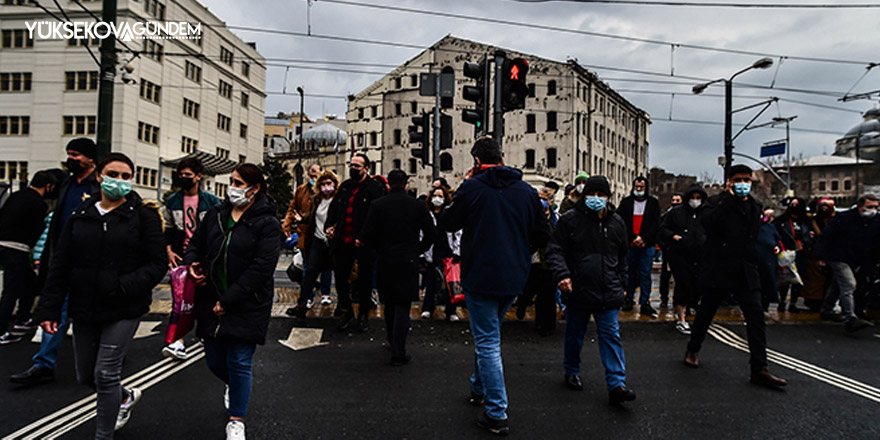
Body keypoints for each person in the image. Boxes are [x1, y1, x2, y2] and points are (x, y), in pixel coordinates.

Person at [34, 153, 167, 438]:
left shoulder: (142, 216)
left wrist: (122, 285)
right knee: (87, 376)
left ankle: (103, 435)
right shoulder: (81, 215)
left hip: (124, 307)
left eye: (126, 176)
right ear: (99, 176)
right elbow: (61, 266)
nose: (119, 181)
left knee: (105, 374)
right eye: (113, 174)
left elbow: (157, 264)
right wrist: (48, 309)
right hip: (85, 306)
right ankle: (124, 396)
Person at [440, 137, 550, 436]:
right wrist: (520, 250)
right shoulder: (526, 192)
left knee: (487, 341)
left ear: (476, 162)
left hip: (480, 275)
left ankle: (496, 412)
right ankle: (478, 387)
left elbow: (448, 223)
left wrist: (463, 187)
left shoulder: (472, 188)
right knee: (489, 332)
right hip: (514, 276)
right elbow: (543, 235)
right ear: (502, 159)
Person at [183, 163, 281, 440]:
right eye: (232, 182)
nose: (233, 188)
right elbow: (196, 244)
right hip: (210, 298)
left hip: (248, 301)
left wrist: (230, 299)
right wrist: (192, 263)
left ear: (255, 188)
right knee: (214, 360)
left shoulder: (267, 222)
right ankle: (235, 385)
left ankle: (236, 420)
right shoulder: (216, 214)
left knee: (239, 359)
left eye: (239, 183)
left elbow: (262, 267)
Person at [684, 164, 787, 389]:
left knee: (755, 316)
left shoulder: (755, 206)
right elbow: (708, 224)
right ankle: (693, 347)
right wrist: (729, 200)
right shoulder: (715, 203)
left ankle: (759, 368)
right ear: (729, 181)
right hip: (719, 267)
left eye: (746, 180)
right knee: (706, 312)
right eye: (738, 180)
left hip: (744, 270)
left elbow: (754, 237)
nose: (743, 184)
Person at [10, 138, 101, 386]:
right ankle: (43, 364)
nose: (71, 159)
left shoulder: (99, 186)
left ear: (91, 159)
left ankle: (105, 357)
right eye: (69, 154)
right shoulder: (65, 185)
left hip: (90, 262)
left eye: (76, 155)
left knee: (94, 314)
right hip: (62, 259)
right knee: (53, 311)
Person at [547, 175, 636, 405]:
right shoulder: (570, 221)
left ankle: (617, 383)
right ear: (584, 195)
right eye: (592, 195)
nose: (596, 199)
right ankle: (572, 369)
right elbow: (556, 250)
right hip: (579, 288)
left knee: (610, 336)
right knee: (575, 333)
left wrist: (624, 285)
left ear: (608, 197)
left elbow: (623, 257)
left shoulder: (617, 223)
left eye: (601, 195)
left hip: (609, 289)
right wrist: (563, 275)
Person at [358, 170, 435, 365]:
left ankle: (391, 339)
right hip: (409, 257)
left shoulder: (378, 205)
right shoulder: (416, 205)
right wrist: (419, 249)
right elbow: (431, 233)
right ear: (406, 185)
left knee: (389, 302)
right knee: (403, 304)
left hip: (385, 257)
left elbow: (367, 234)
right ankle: (398, 350)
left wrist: (378, 248)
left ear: (388, 185)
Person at [161, 157, 220, 360]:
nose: (184, 178)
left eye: (188, 175)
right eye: (181, 175)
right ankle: (178, 341)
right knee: (180, 301)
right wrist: (169, 250)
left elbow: (217, 230)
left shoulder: (211, 202)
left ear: (198, 177)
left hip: (204, 258)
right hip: (181, 258)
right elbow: (168, 229)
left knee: (204, 299)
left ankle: (206, 333)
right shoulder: (173, 201)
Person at [325, 154, 386, 332]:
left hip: (364, 243)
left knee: (365, 280)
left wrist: (366, 237)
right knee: (341, 279)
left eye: (357, 166)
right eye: (351, 165)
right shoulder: (345, 187)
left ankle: (363, 314)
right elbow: (334, 211)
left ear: (366, 168)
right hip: (343, 241)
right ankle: (346, 311)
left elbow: (376, 218)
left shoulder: (374, 189)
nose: (353, 169)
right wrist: (330, 227)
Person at [0, 171, 56, 344]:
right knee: (11, 291)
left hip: (3, 245)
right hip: (18, 248)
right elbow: (38, 230)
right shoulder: (38, 204)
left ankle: (23, 320)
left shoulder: (16, 196)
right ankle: (2, 330)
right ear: (48, 186)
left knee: (30, 283)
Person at [816, 194, 880, 333]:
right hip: (839, 255)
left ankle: (827, 308)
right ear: (860, 206)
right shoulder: (844, 218)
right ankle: (849, 318)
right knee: (849, 284)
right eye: (870, 207)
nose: (873, 210)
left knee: (838, 284)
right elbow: (826, 237)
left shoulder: (876, 221)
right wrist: (821, 256)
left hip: (857, 258)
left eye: (875, 207)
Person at [285, 171, 339, 318]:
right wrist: (301, 218)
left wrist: (335, 228)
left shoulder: (339, 200)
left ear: (335, 184)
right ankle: (302, 303)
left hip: (334, 243)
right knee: (310, 272)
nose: (326, 187)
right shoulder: (317, 199)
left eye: (329, 184)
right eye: (323, 184)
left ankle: (343, 306)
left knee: (340, 274)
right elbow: (313, 215)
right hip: (317, 240)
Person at [658, 185, 707, 335]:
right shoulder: (676, 213)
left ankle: (693, 307)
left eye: (698, 198)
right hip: (679, 254)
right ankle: (681, 317)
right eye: (693, 198)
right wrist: (673, 237)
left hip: (699, 255)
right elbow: (663, 229)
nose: (695, 201)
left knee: (697, 284)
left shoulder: (706, 214)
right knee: (683, 284)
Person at [515, 181, 560, 336]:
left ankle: (547, 323)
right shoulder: (530, 217)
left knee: (547, 293)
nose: (543, 202)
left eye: (546, 199)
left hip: (549, 261)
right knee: (530, 288)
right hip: (533, 259)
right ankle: (523, 305)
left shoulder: (555, 219)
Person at [618, 176, 662, 317]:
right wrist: (633, 237)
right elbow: (622, 222)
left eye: (641, 187)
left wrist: (644, 238)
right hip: (630, 244)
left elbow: (656, 224)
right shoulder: (626, 203)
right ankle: (628, 299)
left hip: (647, 244)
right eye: (636, 187)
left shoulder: (653, 203)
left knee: (645, 274)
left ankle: (645, 302)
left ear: (646, 187)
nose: (638, 190)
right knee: (629, 273)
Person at [420, 186, 462, 321]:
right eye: (435, 195)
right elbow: (421, 233)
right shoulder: (427, 214)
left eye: (440, 196)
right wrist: (422, 253)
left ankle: (451, 311)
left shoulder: (449, 215)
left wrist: (457, 251)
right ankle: (427, 308)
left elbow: (457, 233)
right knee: (431, 282)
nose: (437, 199)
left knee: (450, 282)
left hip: (447, 251)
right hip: (432, 251)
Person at [774, 197, 809, 312]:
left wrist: (809, 237)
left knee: (797, 279)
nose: (794, 207)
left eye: (797, 204)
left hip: (801, 251)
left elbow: (809, 234)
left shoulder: (806, 221)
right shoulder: (781, 221)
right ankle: (782, 301)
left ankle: (793, 303)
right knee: (785, 278)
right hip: (786, 252)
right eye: (792, 204)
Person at [805, 198, 836, 314]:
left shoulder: (834, 221)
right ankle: (814, 301)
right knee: (814, 278)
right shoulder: (812, 221)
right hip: (814, 252)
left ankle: (825, 302)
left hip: (831, 252)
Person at [658, 193, 683, 309]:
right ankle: (664, 298)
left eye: (678, 200)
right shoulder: (666, 216)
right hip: (669, 250)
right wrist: (664, 246)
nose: (675, 203)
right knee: (665, 277)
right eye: (673, 200)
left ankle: (678, 300)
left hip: (682, 252)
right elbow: (660, 231)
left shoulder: (685, 217)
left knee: (681, 278)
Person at [757, 209, 783, 311]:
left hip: (768, 260)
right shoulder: (749, 227)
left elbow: (778, 240)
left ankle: (765, 305)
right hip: (754, 260)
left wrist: (778, 247)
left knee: (767, 284)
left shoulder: (770, 227)